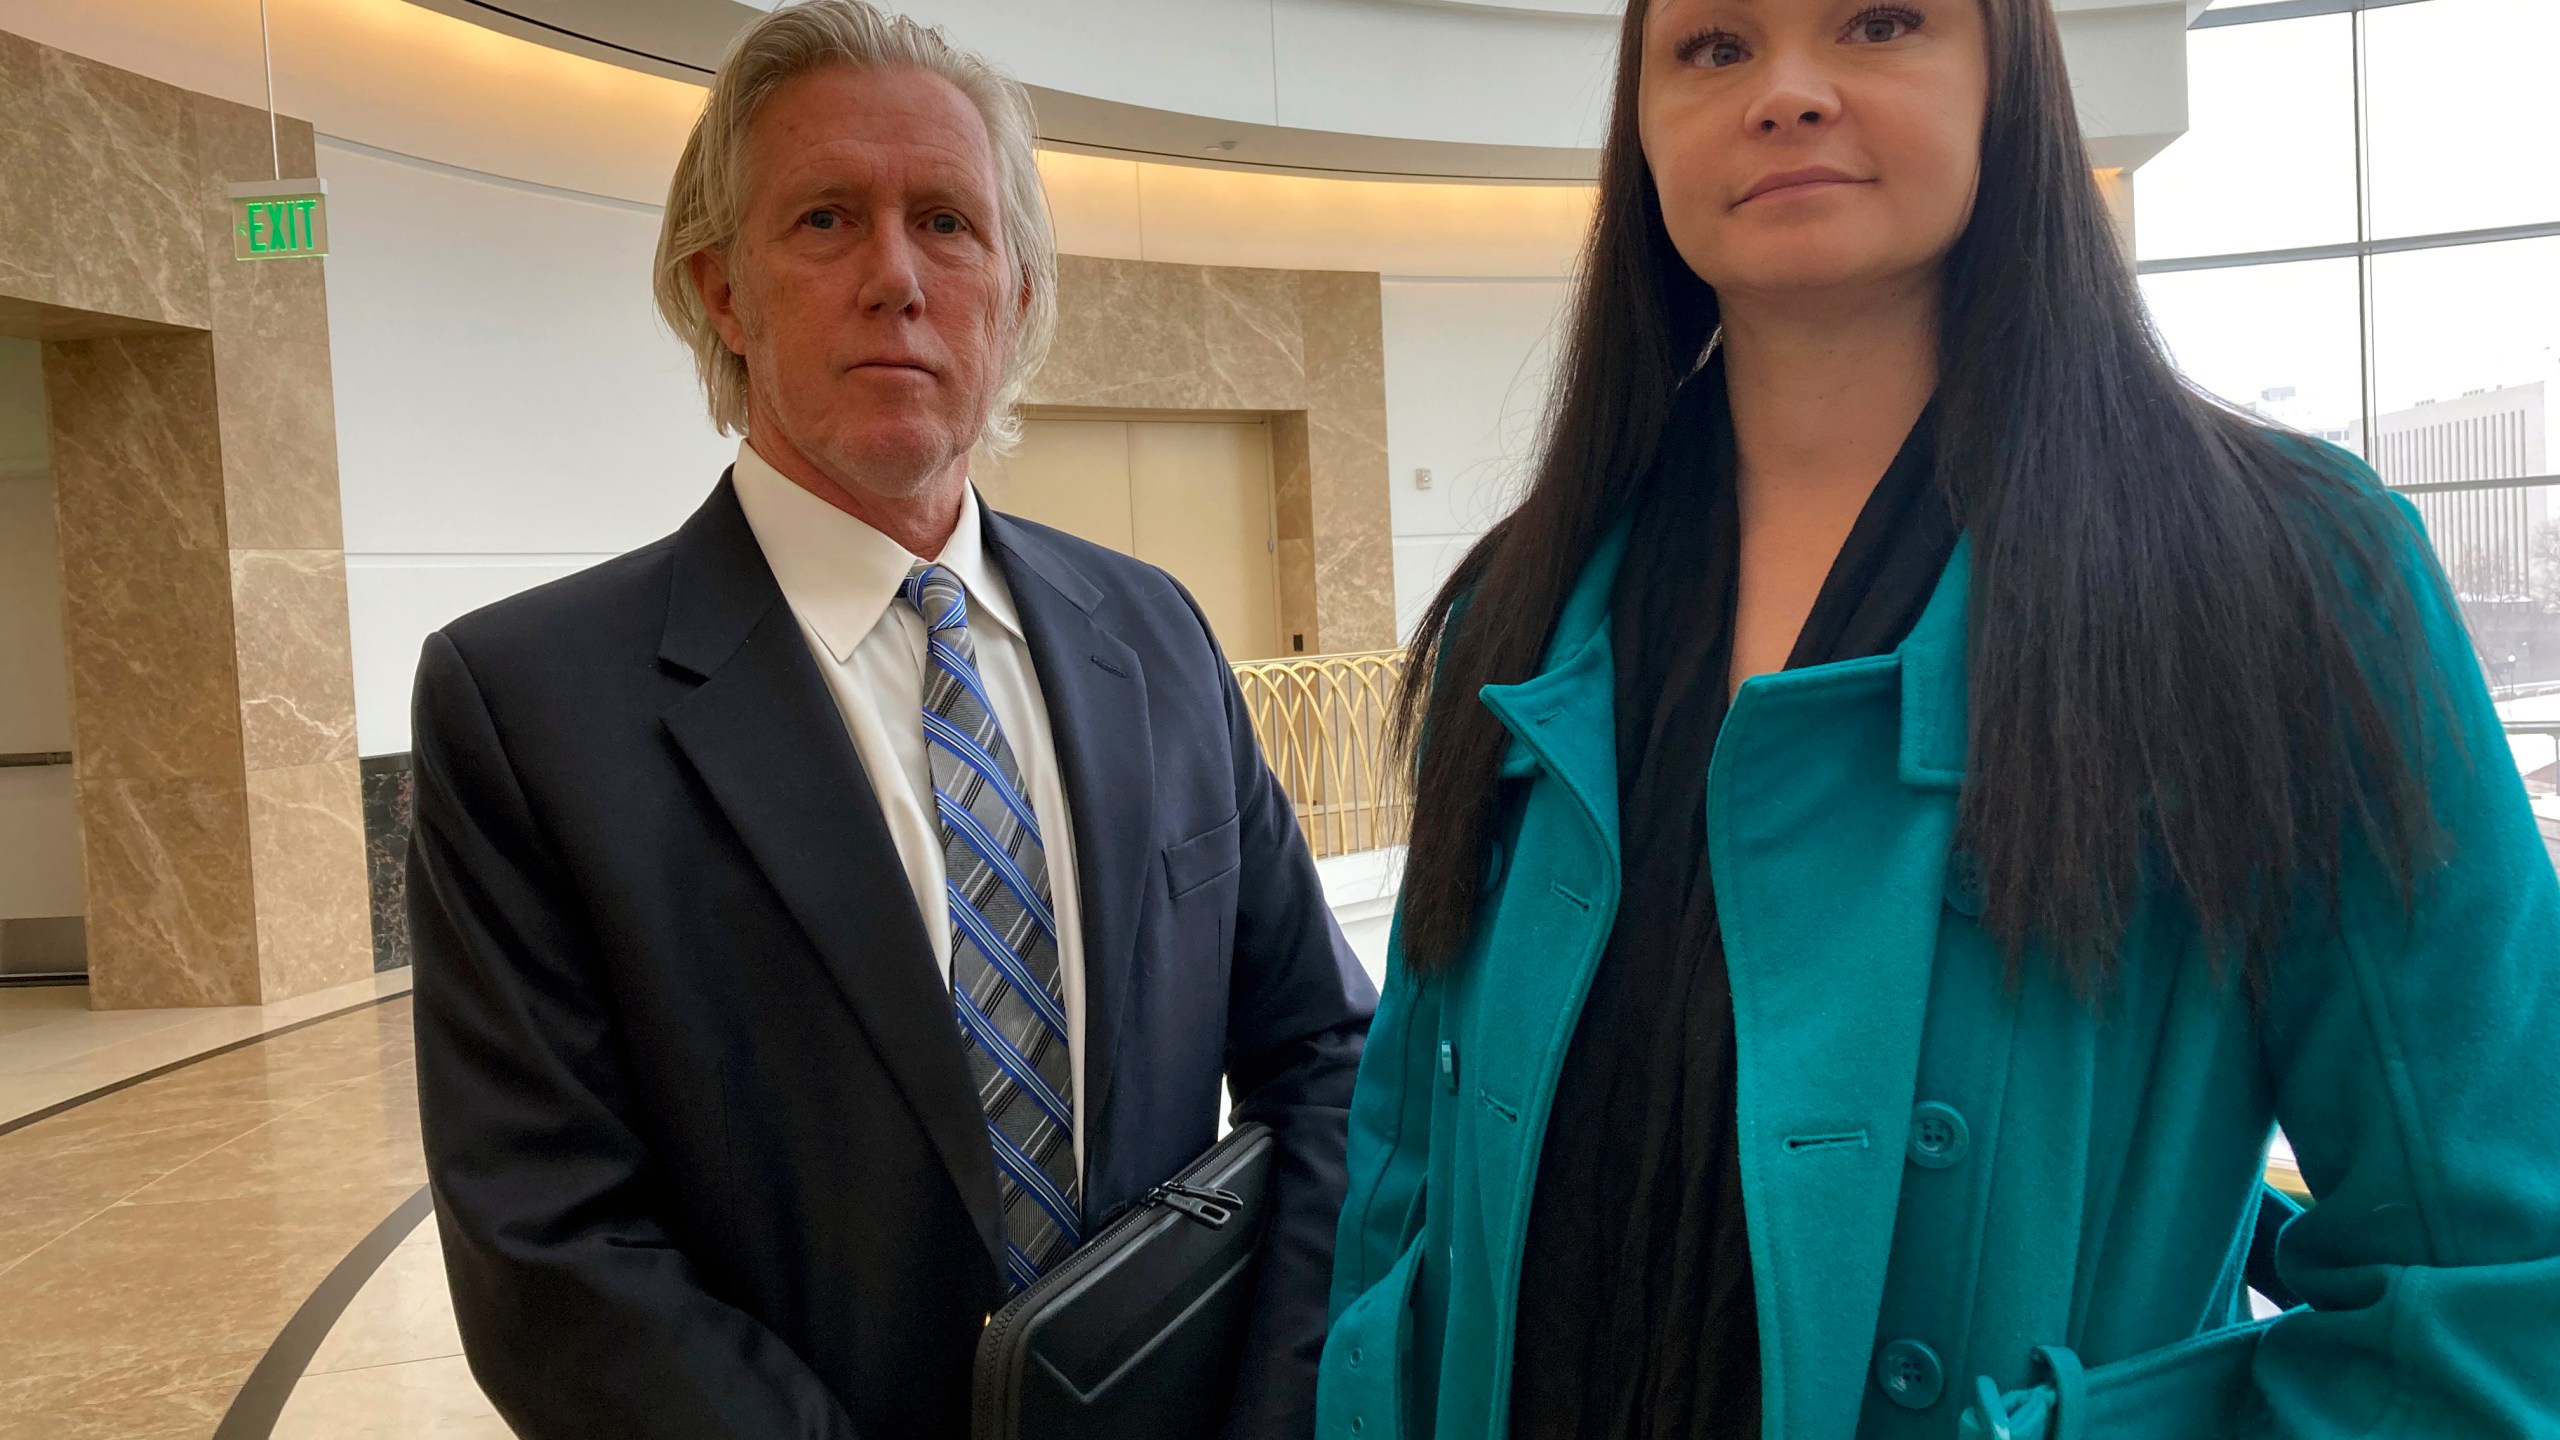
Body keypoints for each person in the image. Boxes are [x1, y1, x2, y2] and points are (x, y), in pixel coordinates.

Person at [1320, 0, 2560, 1436]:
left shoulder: (2285, 578)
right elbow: (1403, 1191)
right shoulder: (1518, 610)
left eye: (1880, 22)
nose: (1786, 92)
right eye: (1712, 48)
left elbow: (2494, 1297)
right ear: (1641, 130)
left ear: (2003, 81)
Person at [407, 5, 1374, 1437]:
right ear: (721, 292)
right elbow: (553, 1250)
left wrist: (1273, 1413)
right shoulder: (531, 706)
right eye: (822, 219)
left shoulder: (1154, 635)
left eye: (946, 222)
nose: (896, 278)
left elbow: (1327, 1061)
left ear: (1019, 296)